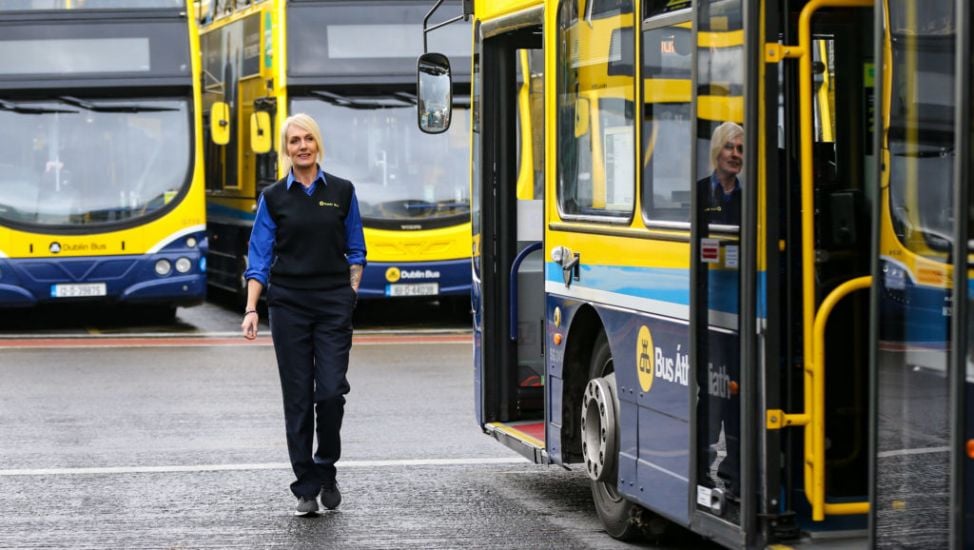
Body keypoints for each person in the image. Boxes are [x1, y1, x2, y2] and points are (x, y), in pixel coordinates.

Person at [240, 113, 366, 516]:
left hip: (332, 303)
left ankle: (326, 467)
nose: (302, 146)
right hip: (289, 304)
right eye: (294, 141)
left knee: (330, 393)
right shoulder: (274, 197)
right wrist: (251, 308)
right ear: (286, 149)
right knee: (297, 398)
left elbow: (356, 249)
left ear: (318, 144)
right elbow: (259, 256)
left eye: (308, 138)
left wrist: (349, 294)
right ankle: (306, 486)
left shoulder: (343, 192)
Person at [698, 121, 743, 225]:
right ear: (716, 151)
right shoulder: (698, 191)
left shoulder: (750, 196)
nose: (735, 154)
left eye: (741, 149)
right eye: (729, 146)